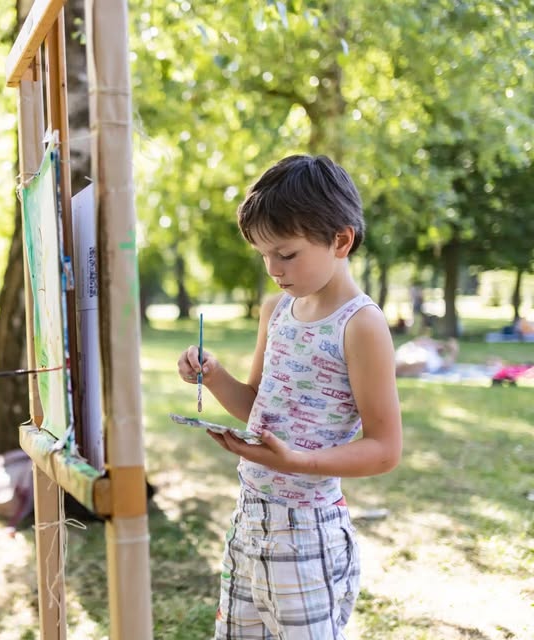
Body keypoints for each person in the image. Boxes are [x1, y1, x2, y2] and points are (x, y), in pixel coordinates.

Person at [176, 155, 403, 639]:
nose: (273, 268)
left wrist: (296, 461)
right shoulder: (275, 310)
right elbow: (256, 404)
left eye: (286, 254)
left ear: (340, 240)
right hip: (249, 518)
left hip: (307, 531)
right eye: (263, 255)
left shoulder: (360, 325)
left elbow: (385, 448)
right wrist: (213, 376)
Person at [394, 333, 459, 377]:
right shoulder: (426, 344)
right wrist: (446, 345)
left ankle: (395, 369)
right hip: (406, 354)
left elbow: (447, 364)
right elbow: (421, 340)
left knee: (421, 362)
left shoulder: (437, 361)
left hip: (417, 362)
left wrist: (454, 351)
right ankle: (395, 368)